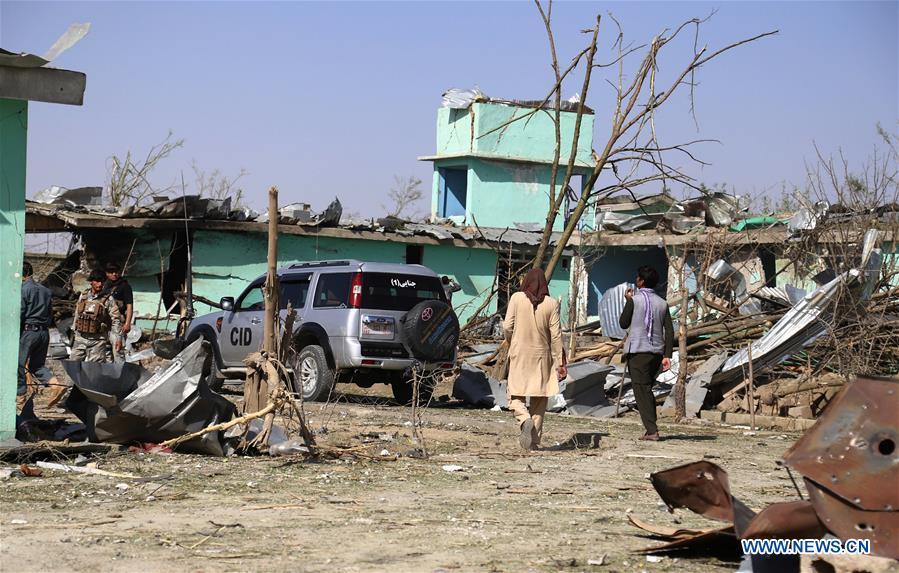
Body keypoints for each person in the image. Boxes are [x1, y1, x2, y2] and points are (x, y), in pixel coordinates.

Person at [502, 268, 567, 450]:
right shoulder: (551, 304)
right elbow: (556, 335)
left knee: (515, 394)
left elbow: (507, 326)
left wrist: (511, 340)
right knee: (540, 397)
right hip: (542, 356)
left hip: (519, 353)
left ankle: (524, 419)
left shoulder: (516, 298)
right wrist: (559, 362)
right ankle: (534, 442)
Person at [619, 265, 675, 441]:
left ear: (641, 281)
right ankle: (651, 428)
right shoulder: (662, 303)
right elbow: (670, 331)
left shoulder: (634, 301)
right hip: (656, 353)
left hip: (638, 352)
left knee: (642, 391)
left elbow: (623, 323)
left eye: (638, 278)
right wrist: (667, 355)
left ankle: (652, 430)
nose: (636, 280)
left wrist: (628, 301)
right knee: (646, 389)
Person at [18, 262, 55, 410]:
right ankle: (55, 384)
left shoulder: (23, 289)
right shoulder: (46, 291)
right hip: (44, 333)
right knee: (37, 365)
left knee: (18, 365)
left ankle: (20, 397)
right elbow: (50, 313)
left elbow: (20, 313)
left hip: (29, 332)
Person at [72, 269, 122, 363]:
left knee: (94, 368)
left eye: (102, 281)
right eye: (97, 281)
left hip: (98, 340)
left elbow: (116, 320)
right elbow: (77, 315)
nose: (100, 284)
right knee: (73, 364)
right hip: (81, 338)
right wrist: (74, 332)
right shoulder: (83, 296)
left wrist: (118, 339)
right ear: (91, 282)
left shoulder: (108, 299)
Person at [102, 262, 133, 362]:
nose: (114, 274)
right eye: (111, 272)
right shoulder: (104, 285)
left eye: (116, 272)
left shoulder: (125, 286)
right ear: (107, 273)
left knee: (118, 351)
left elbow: (129, 305)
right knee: (106, 352)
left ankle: (121, 370)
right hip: (105, 323)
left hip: (118, 323)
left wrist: (127, 323)